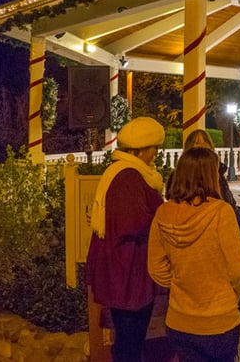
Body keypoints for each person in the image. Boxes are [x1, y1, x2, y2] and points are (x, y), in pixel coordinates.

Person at [148, 147, 240, 361]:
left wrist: (181, 283)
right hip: (219, 321)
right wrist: (229, 296)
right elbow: (239, 271)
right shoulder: (221, 212)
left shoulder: (163, 213)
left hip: (179, 319)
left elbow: (155, 267)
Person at [86, 117, 165, 362]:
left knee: (129, 339)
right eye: (154, 148)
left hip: (123, 271)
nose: (156, 154)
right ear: (141, 149)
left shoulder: (122, 172)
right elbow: (133, 222)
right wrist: (163, 216)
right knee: (130, 340)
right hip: (128, 275)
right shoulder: (129, 177)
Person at [183, 129, 240, 231]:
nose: (202, 145)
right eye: (197, 143)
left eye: (205, 142)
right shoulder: (188, 177)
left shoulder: (219, 174)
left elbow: (228, 201)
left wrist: (238, 216)